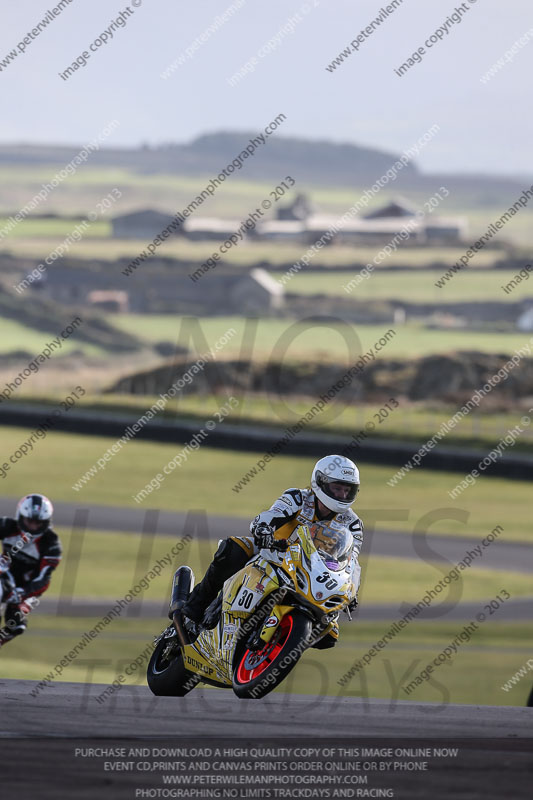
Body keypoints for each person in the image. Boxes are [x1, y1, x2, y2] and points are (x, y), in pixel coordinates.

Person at [179, 455, 363, 647]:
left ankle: (276, 645)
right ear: (321, 483)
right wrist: (263, 529)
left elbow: (352, 562)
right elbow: (270, 515)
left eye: (347, 490)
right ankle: (193, 610)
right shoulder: (298, 497)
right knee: (233, 549)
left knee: (329, 634)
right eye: (337, 488)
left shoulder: (353, 524)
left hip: (312, 573)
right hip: (272, 552)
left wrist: (352, 591)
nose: (342, 495)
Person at [0, 494, 61, 646]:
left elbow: (43, 579)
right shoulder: (6, 525)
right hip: (5, 574)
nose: (33, 527)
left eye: (38, 523)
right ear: (20, 517)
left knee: (16, 624)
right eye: (30, 521)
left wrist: (23, 593)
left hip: (29, 589)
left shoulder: (51, 544)